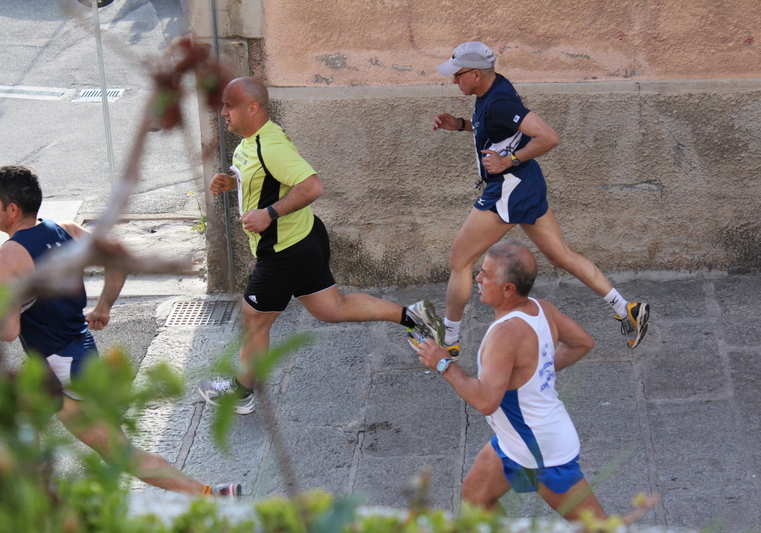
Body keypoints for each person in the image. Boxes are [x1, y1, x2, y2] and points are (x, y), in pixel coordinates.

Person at [0, 165, 239, 498]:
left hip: (62, 370)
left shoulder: (5, 259)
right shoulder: (67, 231)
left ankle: (210, 494)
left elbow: (7, 331)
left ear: (12, 209)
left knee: (121, 453)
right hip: (79, 354)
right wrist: (103, 307)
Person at [197, 77, 443, 414]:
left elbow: (312, 186)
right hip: (305, 241)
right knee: (332, 309)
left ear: (252, 108)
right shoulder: (253, 141)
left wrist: (269, 214)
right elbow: (262, 177)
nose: (222, 112)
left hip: (284, 253)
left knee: (254, 318)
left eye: (229, 105)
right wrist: (232, 182)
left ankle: (241, 394)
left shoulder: (271, 147)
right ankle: (412, 316)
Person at [424, 41, 649, 358]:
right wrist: (460, 125)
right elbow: (496, 127)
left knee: (459, 262)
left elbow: (548, 137)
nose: (453, 81)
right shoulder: (493, 89)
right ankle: (627, 309)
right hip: (528, 185)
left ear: (475, 73)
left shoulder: (498, 101)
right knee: (560, 255)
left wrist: (508, 161)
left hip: (509, 188)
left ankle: (448, 342)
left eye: (457, 75)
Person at [416, 241, 607, 520]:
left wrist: (443, 363)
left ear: (508, 289)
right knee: (475, 498)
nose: (478, 278)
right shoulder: (542, 309)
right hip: (513, 440)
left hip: (541, 450)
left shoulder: (505, 335)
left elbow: (485, 401)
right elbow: (582, 343)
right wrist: (539, 372)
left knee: (599, 528)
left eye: (485, 274)